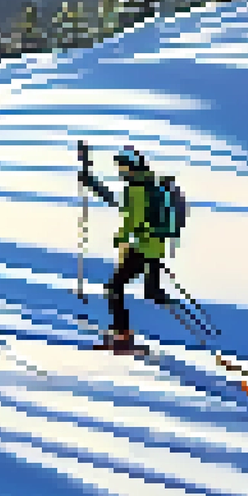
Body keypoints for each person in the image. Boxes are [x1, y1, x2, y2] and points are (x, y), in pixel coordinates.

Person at [79, 146, 170, 352]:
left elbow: (132, 218)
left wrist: (122, 238)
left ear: (131, 167)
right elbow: (123, 206)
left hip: (143, 247)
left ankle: (122, 335)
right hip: (152, 246)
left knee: (114, 288)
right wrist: (93, 183)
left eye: (122, 167)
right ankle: (122, 331)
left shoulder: (137, 189)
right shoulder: (146, 184)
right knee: (120, 287)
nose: (120, 171)